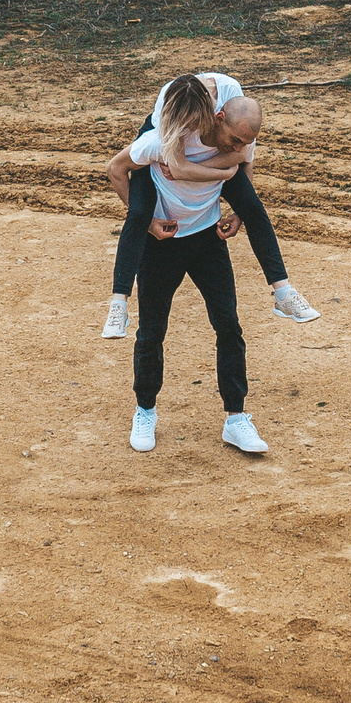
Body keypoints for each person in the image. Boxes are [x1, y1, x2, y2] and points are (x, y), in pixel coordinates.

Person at [100, 69, 318, 338]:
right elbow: (176, 167)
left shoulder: (232, 101)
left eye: (194, 125)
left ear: (216, 116)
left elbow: (242, 155)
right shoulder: (167, 117)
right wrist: (220, 173)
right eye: (188, 127)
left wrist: (238, 203)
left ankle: (282, 291)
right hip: (166, 143)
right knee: (139, 213)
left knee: (253, 207)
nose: (192, 132)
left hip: (203, 156)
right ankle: (119, 302)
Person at [119, 73, 269, 456]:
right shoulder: (165, 134)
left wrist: (240, 211)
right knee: (151, 332)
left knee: (229, 325)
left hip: (208, 238)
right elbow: (118, 168)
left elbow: (244, 170)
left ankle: (236, 418)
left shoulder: (230, 132)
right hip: (163, 242)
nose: (238, 147)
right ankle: (145, 411)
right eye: (235, 140)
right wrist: (147, 222)